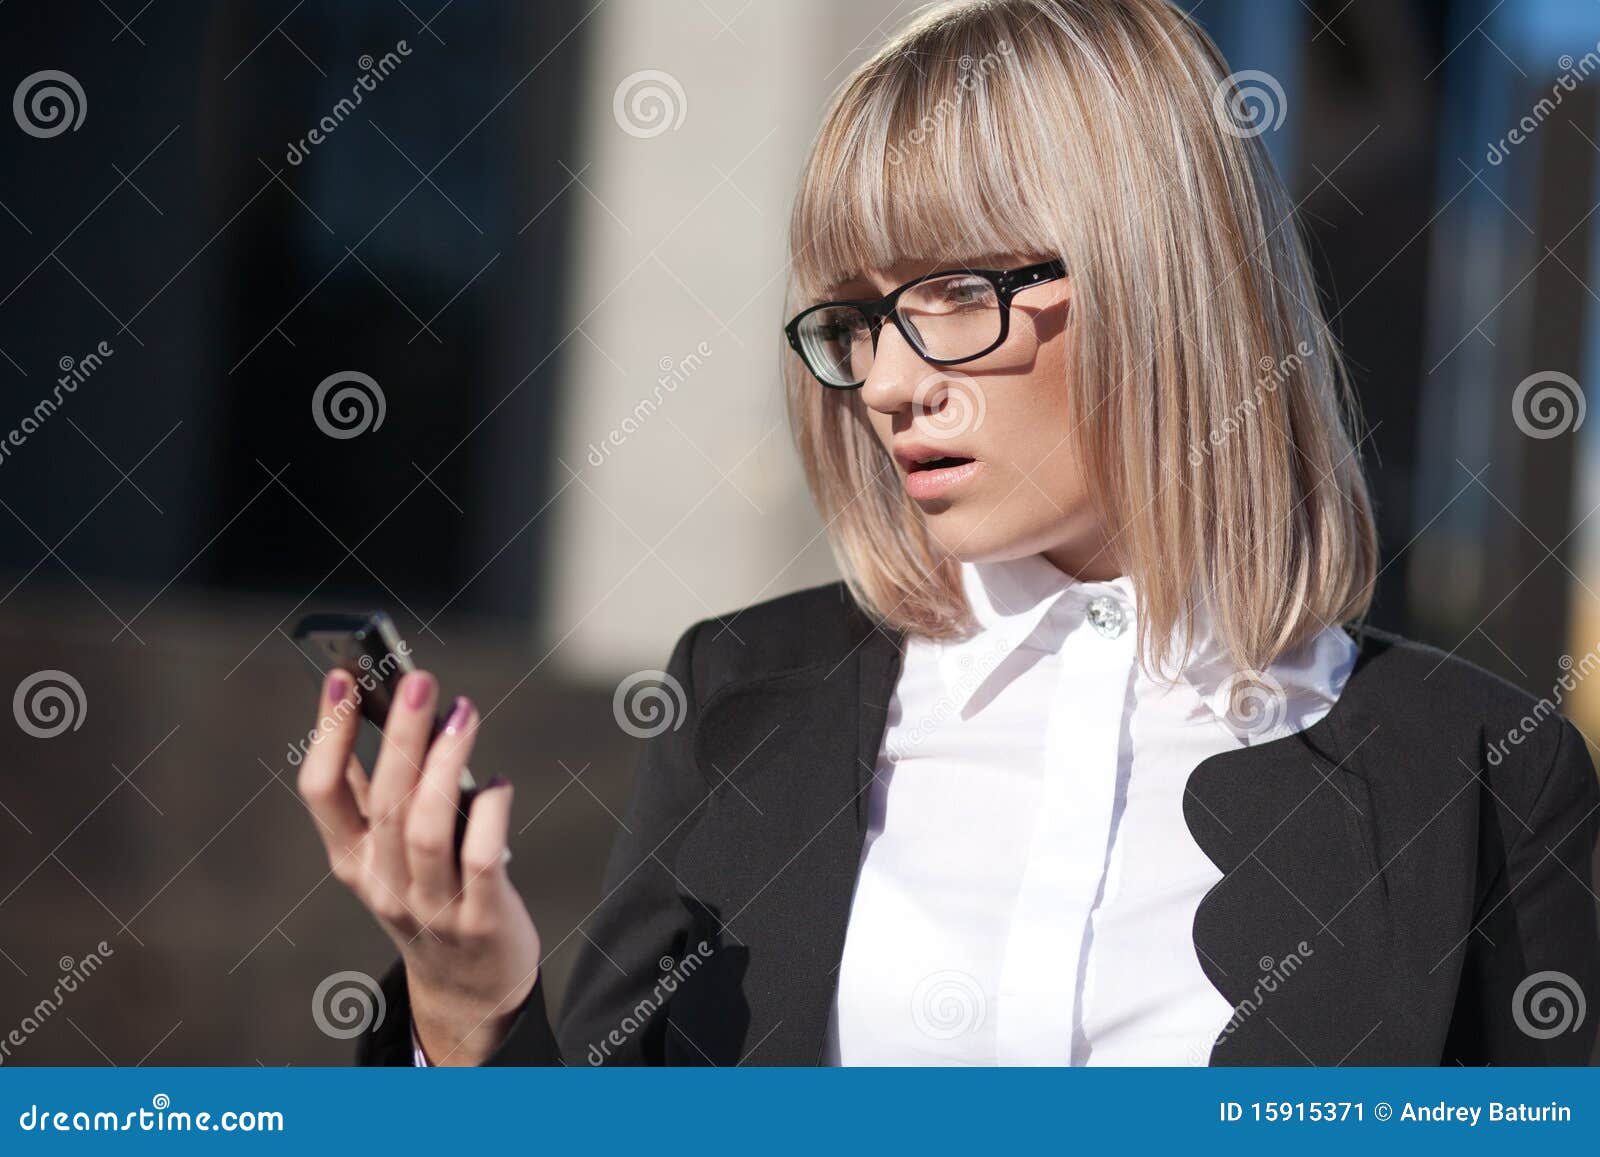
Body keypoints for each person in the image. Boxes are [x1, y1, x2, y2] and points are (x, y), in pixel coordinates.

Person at [297, 0, 1600, 1066]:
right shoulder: (747, 701)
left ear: (1163, 275)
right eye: (859, 319)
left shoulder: (1485, 772)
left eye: (959, 294)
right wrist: (467, 1001)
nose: (888, 381)